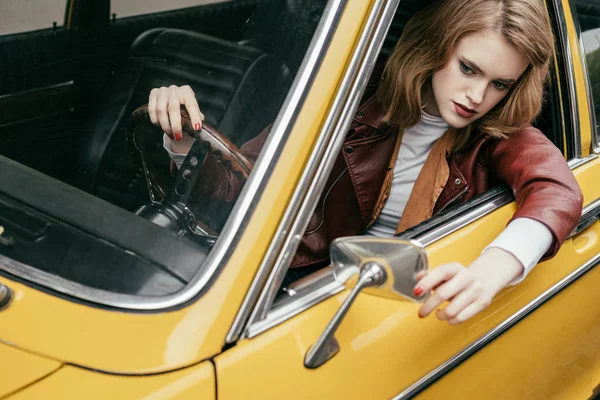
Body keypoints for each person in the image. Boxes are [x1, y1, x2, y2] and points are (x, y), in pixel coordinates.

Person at [138, 0, 583, 325]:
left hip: (406, 310)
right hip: (301, 289)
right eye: (468, 69)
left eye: (499, 84)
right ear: (435, 49)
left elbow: (557, 190)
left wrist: (493, 269)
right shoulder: (354, 90)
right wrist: (182, 138)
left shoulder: (498, 134)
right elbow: (246, 184)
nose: (477, 97)